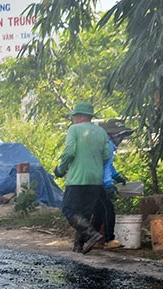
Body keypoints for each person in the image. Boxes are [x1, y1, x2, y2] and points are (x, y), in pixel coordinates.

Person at [53, 102, 111, 254]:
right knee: (84, 213)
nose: (72, 120)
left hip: (77, 178)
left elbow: (69, 152)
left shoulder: (74, 129)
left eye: (73, 117)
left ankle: (91, 233)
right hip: (95, 179)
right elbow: (106, 156)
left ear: (78, 117)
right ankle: (78, 246)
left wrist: (60, 169)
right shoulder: (101, 132)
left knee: (69, 210)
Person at [92, 119, 133, 250]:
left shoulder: (104, 144)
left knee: (99, 211)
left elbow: (108, 165)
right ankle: (110, 239)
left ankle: (91, 240)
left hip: (92, 181)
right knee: (108, 210)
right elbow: (104, 168)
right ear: (113, 135)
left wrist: (117, 177)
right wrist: (109, 184)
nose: (121, 139)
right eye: (120, 136)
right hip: (97, 182)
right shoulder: (108, 145)